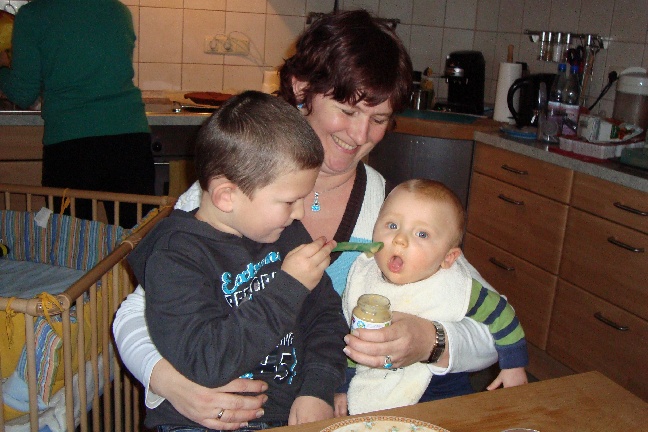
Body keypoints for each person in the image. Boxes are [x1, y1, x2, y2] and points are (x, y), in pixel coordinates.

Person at [113, 9, 499, 430]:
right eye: (347, 110)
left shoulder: (392, 211)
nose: (360, 135)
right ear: (302, 89)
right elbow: (135, 314)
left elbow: (490, 329)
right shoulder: (235, 188)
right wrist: (171, 384)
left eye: (379, 119)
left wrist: (430, 341)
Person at [127, 91, 348, 431]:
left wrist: (318, 389)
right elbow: (207, 362)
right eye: (289, 201)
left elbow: (326, 316)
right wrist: (288, 287)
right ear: (227, 196)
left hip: (284, 414)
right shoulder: (175, 258)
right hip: (198, 423)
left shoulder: (286, 234)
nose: (300, 213)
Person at [340, 179, 529, 415]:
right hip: (374, 386)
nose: (400, 239)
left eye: (422, 233)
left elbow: (501, 313)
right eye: (392, 225)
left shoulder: (453, 286)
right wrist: (343, 386)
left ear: (448, 258)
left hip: (443, 391)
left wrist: (514, 364)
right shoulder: (363, 277)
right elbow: (351, 338)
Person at [0, 0, 154, 228]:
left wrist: (3, 69)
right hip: (130, 139)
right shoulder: (117, 10)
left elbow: (23, 93)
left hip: (72, 144)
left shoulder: (34, 15)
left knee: (71, 239)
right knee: (137, 237)